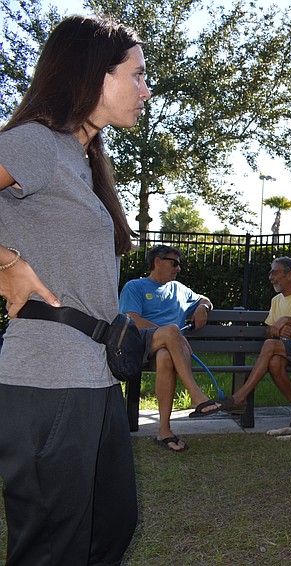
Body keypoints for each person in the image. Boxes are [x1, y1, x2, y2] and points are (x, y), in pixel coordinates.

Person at [0, 15, 150, 565]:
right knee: (53, 548)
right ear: (96, 75)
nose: (145, 89)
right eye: (136, 75)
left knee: (109, 529)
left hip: (94, 375)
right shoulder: (36, 143)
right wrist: (7, 264)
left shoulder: (81, 159)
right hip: (47, 377)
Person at [119, 245, 222, 452]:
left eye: (179, 264)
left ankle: (164, 432)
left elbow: (204, 299)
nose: (178, 269)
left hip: (165, 349)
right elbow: (132, 320)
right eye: (174, 263)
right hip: (139, 346)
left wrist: (202, 307)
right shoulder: (135, 287)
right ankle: (195, 395)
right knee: (173, 332)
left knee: (166, 356)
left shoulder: (179, 289)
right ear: (157, 261)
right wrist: (171, 334)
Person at [219, 256, 291, 426]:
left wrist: (287, 320)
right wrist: (279, 328)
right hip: (287, 350)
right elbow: (269, 330)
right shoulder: (276, 300)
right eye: (270, 273)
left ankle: (240, 396)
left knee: (270, 345)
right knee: (274, 362)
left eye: (274, 272)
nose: (270, 277)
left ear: (289, 275)